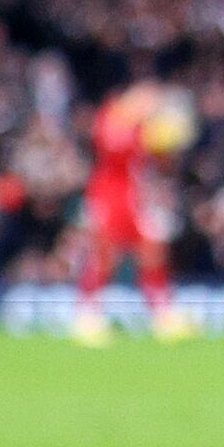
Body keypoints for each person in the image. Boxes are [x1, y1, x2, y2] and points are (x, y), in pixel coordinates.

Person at [68, 84, 194, 346]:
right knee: (105, 256)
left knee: (152, 250)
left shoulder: (141, 126)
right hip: (109, 194)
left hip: (133, 196)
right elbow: (112, 149)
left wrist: (167, 137)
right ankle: (87, 317)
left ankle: (163, 316)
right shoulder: (111, 118)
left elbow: (158, 156)